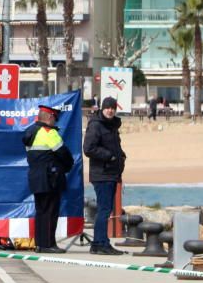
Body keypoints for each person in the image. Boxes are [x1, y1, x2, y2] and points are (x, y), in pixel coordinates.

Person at [22, 104, 74, 254]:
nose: (55, 122)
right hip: (50, 178)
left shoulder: (30, 133)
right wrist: (67, 166)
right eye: (55, 119)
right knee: (51, 212)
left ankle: (40, 243)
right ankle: (48, 244)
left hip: (36, 178)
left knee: (41, 212)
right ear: (50, 117)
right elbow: (64, 154)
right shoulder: (49, 133)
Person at [83, 97, 127, 256]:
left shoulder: (112, 125)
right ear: (102, 109)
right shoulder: (96, 125)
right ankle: (101, 243)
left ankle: (99, 243)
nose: (110, 110)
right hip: (102, 174)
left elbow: (114, 146)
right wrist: (110, 156)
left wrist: (120, 156)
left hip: (112, 173)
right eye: (107, 108)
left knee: (105, 210)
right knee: (104, 210)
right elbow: (88, 148)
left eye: (113, 108)